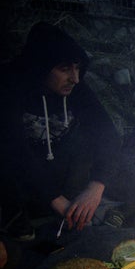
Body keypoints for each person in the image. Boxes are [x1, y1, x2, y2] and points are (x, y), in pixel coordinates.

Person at [0, 21, 121, 237]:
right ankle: (17, 224)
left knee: (86, 140)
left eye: (77, 68)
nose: (74, 78)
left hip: (63, 175)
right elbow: (16, 152)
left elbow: (108, 135)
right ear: (41, 67)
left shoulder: (76, 88)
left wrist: (96, 186)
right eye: (64, 69)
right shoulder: (10, 87)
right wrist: (55, 200)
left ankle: (76, 213)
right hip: (19, 181)